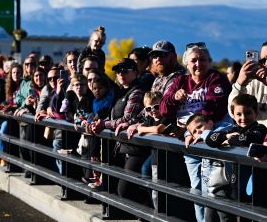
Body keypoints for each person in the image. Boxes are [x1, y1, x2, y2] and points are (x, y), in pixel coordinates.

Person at [160, 42, 232, 222]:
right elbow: (163, 109)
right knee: (197, 189)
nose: (198, 64)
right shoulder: (180, 81)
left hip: (211, 138)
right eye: (194, 60)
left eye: (202, 60)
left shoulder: (216, 79)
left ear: (209, 61)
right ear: (186, 63)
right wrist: (175, 98)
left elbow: (216, 107)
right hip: (189, 141)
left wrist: (194, 129)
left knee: (213, 189)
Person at [91, 58, 150, 204]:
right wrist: (95, 120)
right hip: (120, 147)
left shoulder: (137, 92)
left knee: (125, 189)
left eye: (125, 71)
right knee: (114, 186)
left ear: (135, 72)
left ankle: (150, 212)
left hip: (135, 148)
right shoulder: (120, 92)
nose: (120, 74)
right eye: (118, 71)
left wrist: (104, 124)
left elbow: (127, 119)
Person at [186, 113, 236, 222]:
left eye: (200, 126)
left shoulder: (223, 129)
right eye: (194, 131)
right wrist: (188, 135)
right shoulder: (200, 143)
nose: (198, 132)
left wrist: (203, 134)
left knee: (226, 218)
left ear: (210, 123)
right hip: (209, 189)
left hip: (225, 187)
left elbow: (215, 137)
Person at [228, 42, 267, 126]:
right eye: (263, 60)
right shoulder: (254, 83)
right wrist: (240, 83)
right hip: (255, 135)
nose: (265, 64)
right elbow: (233, 112)